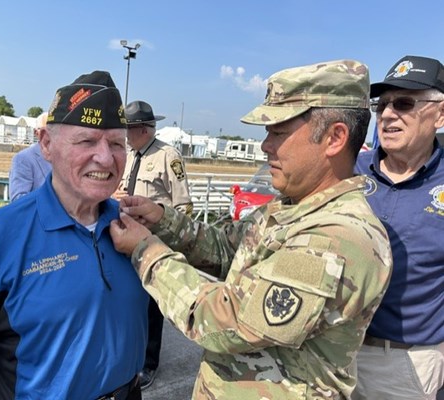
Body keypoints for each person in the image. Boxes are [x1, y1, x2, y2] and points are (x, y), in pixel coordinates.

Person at [109, 59, 394, 399]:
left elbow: (226, 323)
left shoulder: (338, 237)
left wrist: (146, 252)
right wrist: (161, 219)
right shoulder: (292, 207)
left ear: (335, 137)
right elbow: (226, 248)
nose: (265, 146)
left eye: (278, 132)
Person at [0, 71, 149, 400]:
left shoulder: (132, 228)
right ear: (46, 144)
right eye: (86, 141)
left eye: (117, 143)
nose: (105, 157)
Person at [353, 55, 444, 400]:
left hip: (405, 366)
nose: (388, 114)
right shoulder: (349, 171)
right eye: (383, 104)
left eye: (404, 103)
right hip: (328, 356)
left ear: (441, 114)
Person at [117, 100, 193, 390]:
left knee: (150, 305)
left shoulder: (167, 156)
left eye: (129, 130)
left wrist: (168, 242)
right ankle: (128, 354)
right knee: (128, 300)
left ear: (144, 130)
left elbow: (184, 204)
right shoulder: (130, 154)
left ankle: (149, 364)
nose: (125, 136)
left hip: (152, 241)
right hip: (126, 239)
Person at [8, 111, 52, 201]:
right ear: (37, 133)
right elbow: (19, 199)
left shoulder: (66, 156)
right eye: (47, 130)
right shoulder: (23, 159)